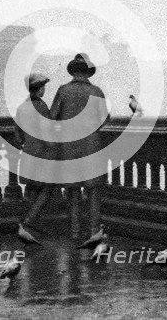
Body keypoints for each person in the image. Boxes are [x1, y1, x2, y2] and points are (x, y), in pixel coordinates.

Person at [50, 53, 109, 237]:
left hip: (69, 148)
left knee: (73, 190)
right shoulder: (97, 91)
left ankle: (75, 230)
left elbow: (52, 118)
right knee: (93, 191)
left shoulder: (63, 90)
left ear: (73, 72)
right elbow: (105, 118)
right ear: (88, 73)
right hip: (92, 147)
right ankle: (93, 230)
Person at [14, 73, 57, 228]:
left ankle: (26, 221)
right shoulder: (41, 106)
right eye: (43, 87)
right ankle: (30, 220)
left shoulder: (21, 107)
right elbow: (47, 134)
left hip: (28, 155)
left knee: (31, 188)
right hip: (42, 155)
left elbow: (18, 136)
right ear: (39, 90)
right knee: (48, 187)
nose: (44, 90)